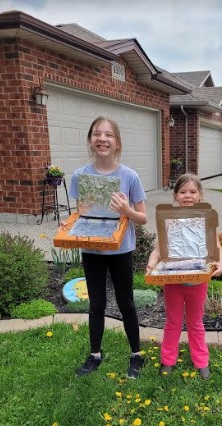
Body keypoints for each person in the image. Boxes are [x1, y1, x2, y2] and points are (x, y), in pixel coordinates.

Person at [69, 116, 147, 378]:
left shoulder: (129, 176)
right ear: (90, 140)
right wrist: (68, 224)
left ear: (117, 142)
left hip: (120, 250)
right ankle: (94, 354)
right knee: (97, 304)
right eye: (97, 134)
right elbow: (80, 213)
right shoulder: (80, 176)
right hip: (92, 251)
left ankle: (136, 355)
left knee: (126, 302)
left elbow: (143, 217)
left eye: (108, 135)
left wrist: (126, 210)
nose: (102, 139)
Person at [146, 174, 222, 379]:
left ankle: (201, 361)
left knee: (195, 322)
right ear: (176, 195)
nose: (187, 196)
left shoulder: (205, 219)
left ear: (200, 195)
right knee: (173, 321)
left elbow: (217, 247)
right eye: (183, 192)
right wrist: (152, 262)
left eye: (192, 191)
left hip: (197, 281)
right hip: (172, 281)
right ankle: (167, 360)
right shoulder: (169, 221)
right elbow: (159, 249)